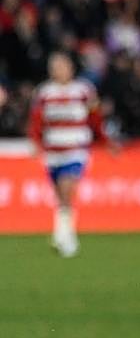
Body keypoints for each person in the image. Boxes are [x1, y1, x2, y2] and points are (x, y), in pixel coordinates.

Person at [27, 52, 112, 257]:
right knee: (60, 197)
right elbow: (36, 121)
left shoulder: (83, 90)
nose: (58, 70)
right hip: (53, 151)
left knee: (66, 190)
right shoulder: (44, 92)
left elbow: (95, 118)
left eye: (61, 66)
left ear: (70, 68)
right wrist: (36, 142)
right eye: (54, 67)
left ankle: (61, 237)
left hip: (75, 150)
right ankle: (69, 237)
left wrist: (105, 141)